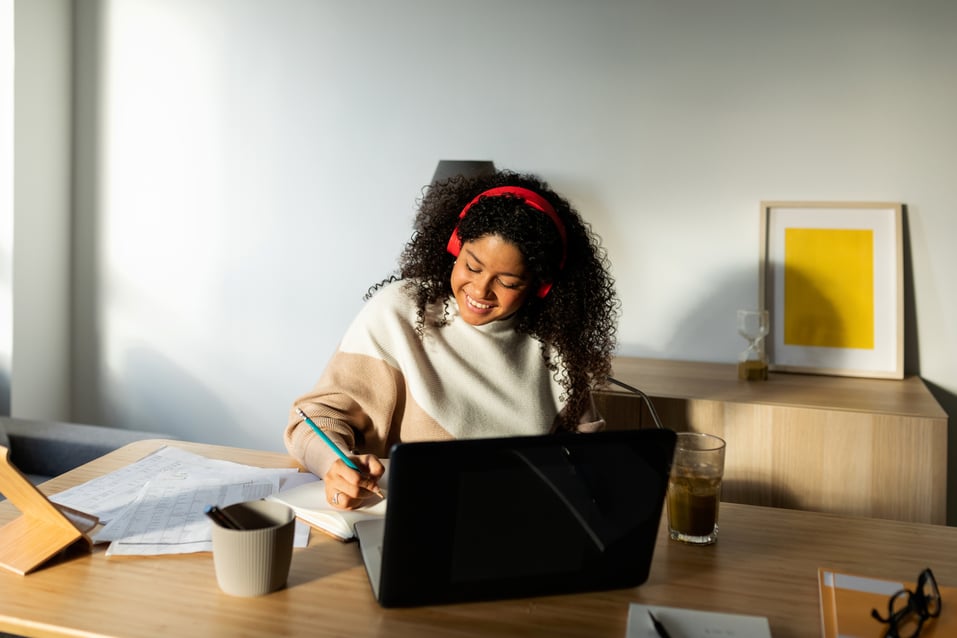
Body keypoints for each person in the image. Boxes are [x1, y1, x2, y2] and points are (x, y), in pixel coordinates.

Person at [284, 170, 619, 510]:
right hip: (415, 521)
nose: (480, 290)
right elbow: (313, 419)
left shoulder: (557, 347)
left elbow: (583, 463)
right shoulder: (400, 313)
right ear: (454, 248)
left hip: (518, 526)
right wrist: (334, 465)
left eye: (507, 281)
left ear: (540, 285)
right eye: (472, 267)